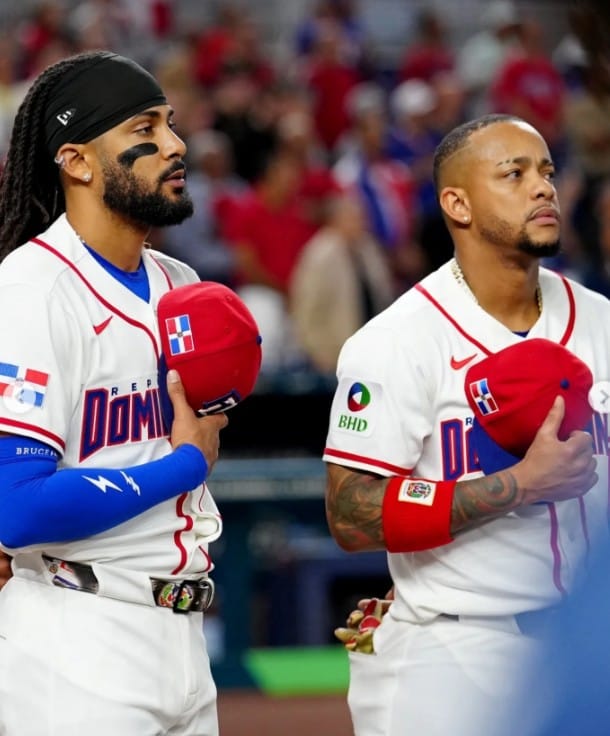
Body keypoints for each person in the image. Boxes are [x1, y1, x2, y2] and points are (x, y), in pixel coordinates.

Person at [323, 112, 610, 736]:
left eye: (546, 171)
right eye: (514, 174)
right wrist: (519, 485)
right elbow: (350, 514)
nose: (543, 187)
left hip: (585, 645)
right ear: (457, 204)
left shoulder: (600, 321)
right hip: (455, 653)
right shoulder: (398, 340)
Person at [0, 50, 231, 735]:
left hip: (182, 632)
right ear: (77, 162)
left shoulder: (181, 283)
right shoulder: (32, 291)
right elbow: (17, 507)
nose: (175, 144)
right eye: (144, 129)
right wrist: (186, 463)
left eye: (170, 123)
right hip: (77, 638)